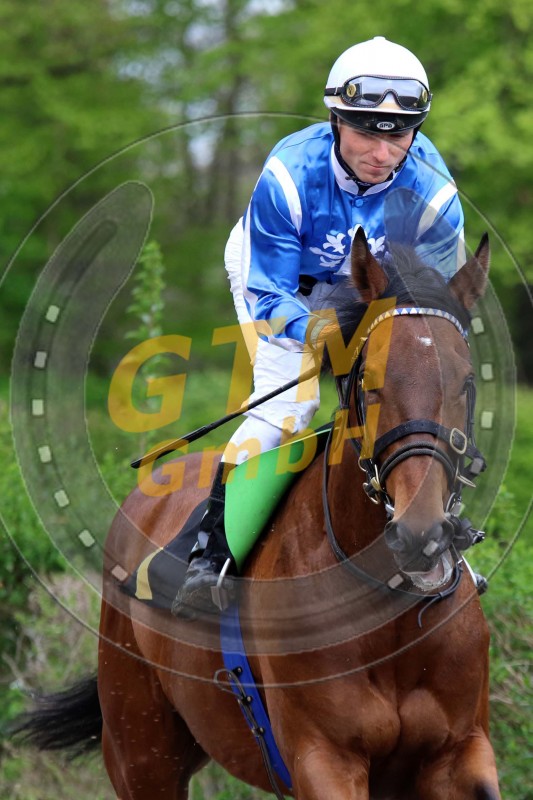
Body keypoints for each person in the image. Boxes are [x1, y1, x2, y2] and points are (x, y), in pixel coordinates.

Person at [172, 35, 467, 616]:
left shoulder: (436, 195)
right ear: (335, 120)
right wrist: (316, 336)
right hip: (281, 282)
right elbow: (268, 290)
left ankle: (443, 536)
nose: (382, 152)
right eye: (365, 133)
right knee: (293, 406)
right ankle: (209, 554)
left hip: (372, 287)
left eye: (399, 136)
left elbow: (434, 305)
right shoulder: (288, 174)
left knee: (420, 394)